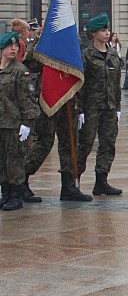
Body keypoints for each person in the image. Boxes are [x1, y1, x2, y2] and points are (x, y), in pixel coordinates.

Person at [22, 29, 90, 202]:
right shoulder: (44, 37)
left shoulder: (70, 34)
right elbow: (30, 63)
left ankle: (68, 187)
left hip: (69, 97)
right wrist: (40, 39)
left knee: (70, 142)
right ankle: (21, 179)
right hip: (48, 95)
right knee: (44, 141)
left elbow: (76, 66)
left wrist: (80, 103)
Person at [77, 14, 123, 195]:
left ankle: (101, 180)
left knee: (108, 143)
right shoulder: (86, 55)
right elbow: (80, 84)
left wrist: (118, 107)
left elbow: (116, 82)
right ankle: (75, 180)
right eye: (103, 30)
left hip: (109, 107)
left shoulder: (112, 54)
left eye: (107, 30)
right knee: (85, 144)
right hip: (91, 108)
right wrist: (80, 109)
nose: (107, 33)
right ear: (93, 33)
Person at [0, 32, 41, 211]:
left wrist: (27, 123)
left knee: (15, 160)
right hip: (1, 123)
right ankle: (5, 194)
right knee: (1, 161)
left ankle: (16, 195)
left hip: (14, 124)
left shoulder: (20, 70)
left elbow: (28, 100)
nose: (13, 49)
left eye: (15, 46)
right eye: (9, 46)